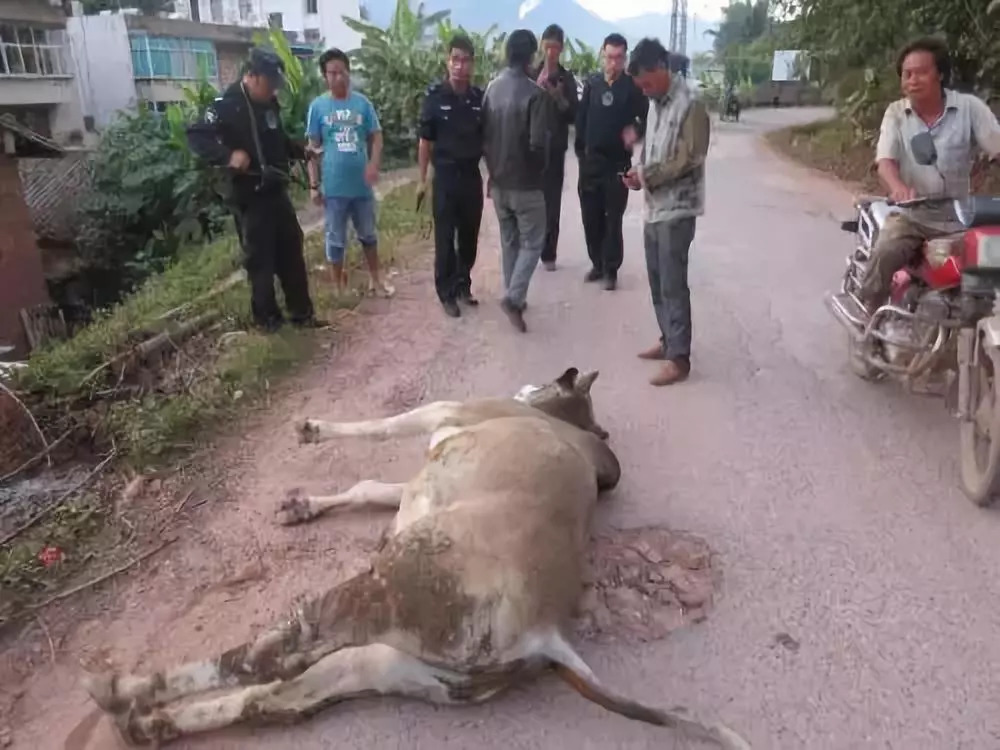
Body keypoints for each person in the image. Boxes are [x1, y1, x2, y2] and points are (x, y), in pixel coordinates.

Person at [858, 37, 1000, 314]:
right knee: (887, 249)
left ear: (941, 74)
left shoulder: (969, 108)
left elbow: (997, 144)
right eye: (907, 74)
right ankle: (870, 313)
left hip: (959, 215)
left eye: (921, 72)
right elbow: (885, 160)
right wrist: (898, 187)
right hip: (913, 214)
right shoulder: (896, 113)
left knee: (987, 263)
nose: (912, 80)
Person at [186, 47, 321, 333]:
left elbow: (277, 138)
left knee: (291, 250)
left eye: (276, 84)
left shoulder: (268, 104)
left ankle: (302, 314)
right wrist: (228, 155)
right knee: (261, 258)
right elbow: (196, 135)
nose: (274, 89)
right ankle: (268, 321)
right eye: (269, 82)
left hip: (276, 190)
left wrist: (301, 150)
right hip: (250, 195)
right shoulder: (226, 104)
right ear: (251, 76)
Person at [623, 37, 710, 387]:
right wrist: (637, 172)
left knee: (673, 283)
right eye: (640, 86)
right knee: (657, 280)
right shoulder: (655, 101)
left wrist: (648, 175)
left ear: (662, 69)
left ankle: (680, 358)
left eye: (646, 83)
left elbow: (691, 158)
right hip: (654, 207)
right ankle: (667, 340)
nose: (643, 91)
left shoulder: (691, 104)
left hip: (678, 208)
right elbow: (655, 148)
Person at [305, 48, 394, 298]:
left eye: (342, 72)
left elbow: (376, 137)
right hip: (333, 188)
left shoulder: (362, 104)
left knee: (368, 235)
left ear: (349, 72)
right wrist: (314, 184)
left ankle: (376, 280)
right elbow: (311, 148)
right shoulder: (318, 107)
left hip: (361, 186)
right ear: (325, 76)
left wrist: (374, 164)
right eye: (332, 73)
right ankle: (339, 288)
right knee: (335, 240)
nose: (338, 78)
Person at [482, 29, 550, 333]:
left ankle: (514, 295)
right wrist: (540, 173)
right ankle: (514, 297)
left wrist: (492, 173)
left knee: (510, 241)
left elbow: (483, 136)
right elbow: (538, 145)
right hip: (526, 184)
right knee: (534, 242)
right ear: (531, 56)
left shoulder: (491, 89)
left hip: (498, 183)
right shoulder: (536, 94)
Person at [417, 34, 485, 318]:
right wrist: (422, 180)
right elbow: (425, 142)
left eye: (465, 60)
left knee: (469, 237)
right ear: (448, 62)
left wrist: (492, 174)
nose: (460, 66)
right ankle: (446, 292)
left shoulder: (479, 99)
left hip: (471, 177)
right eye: (455, 59)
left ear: (472, 64)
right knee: (445, 240)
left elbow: (487, 140)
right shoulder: (434, 98)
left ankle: (462, 283)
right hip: (445, 178)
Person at [574, 33, 648, 291]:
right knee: (590, 217)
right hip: (591, 163)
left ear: (625, 58)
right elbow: (581, 119)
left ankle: (611, 269)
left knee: (613, 218)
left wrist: (635, 132)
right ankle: (597, 263)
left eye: (619, 58)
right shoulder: (593, 84)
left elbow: (646, 118)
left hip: (617, 163)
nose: (613, 63)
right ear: (602, 55)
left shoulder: (633, 87)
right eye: (609, 57)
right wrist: (580, 153)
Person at [533, 23, 579, 272]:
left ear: (561, 49)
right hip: (532, 148)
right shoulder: (531, 74)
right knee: (531, 200)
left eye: (555, 48)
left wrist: (558, 97)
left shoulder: (566, 78)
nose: (551, 53)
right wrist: (537, 89)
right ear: (542, 46)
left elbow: (574, 115)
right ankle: (529, 248)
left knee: (552, 203)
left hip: (556, 148)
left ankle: (548, 253)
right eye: (547, 47)